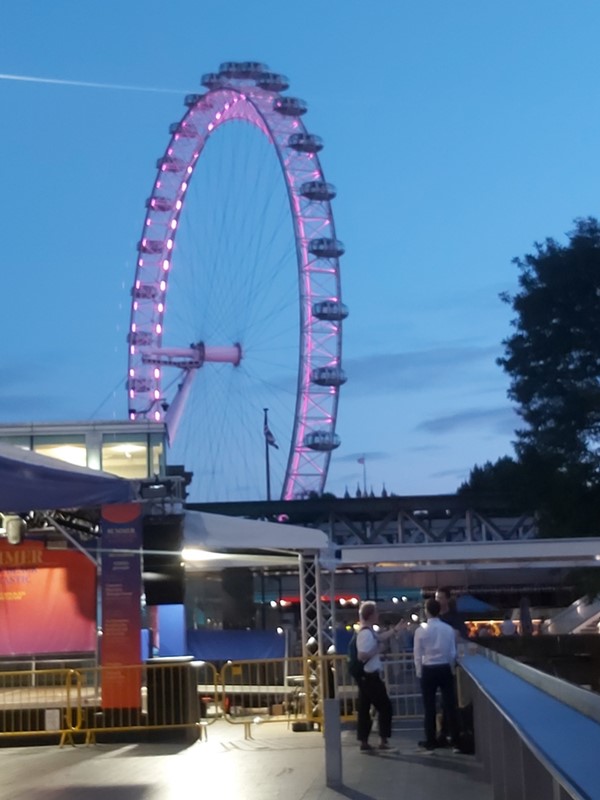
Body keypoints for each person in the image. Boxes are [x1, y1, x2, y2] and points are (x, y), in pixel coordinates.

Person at [355, 600, 403, 752]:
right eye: (375, 613)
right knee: (385, 707)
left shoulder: (367, 632)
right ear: (370, 615)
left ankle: (364, 741)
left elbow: (380, 637)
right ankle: (383, 740)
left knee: (364, 709)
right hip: (370, 676)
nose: (378, 615)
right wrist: (378, 650)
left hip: (365, 676)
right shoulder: (365, 635)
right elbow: (362, 655)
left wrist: (394, 630)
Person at [413, 598, 460, 752]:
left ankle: (430, 740)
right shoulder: (448, 629)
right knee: (450, 705)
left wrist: (419, 671)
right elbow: (452, 652)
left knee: (429, 707)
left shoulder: (420, 631)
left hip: (428, 669)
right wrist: (451, 667)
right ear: (439, 610)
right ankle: (455, 740)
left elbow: (417, 654)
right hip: (445, 667)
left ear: (427, 611)